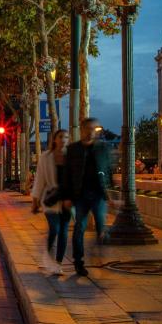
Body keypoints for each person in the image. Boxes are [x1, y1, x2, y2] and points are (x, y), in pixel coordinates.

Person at [59, 117, 112, 277]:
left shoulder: (102, 148)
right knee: (79, 228)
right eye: (88, 128)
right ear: (81, 129)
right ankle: (78, 262)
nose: (90, 132)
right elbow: (66, 175)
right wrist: (66, 197)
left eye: (93, 129)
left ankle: (99, 254)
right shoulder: (73, 149)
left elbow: (108, 171)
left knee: (101, 227)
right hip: (80, 195)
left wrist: (111, 193)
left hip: (98, 194)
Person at [31, 129, 71, 275]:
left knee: (64, 233)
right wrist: (35, 201)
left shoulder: (71, 157)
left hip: (66, 200)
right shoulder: (45, 157)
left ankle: (58, 264)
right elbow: (40, 179)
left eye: (66, 137)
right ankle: (48, 257)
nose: (63, 139)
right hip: (50, 199)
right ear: (54, 139)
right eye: (61, 137)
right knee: (55, 229)